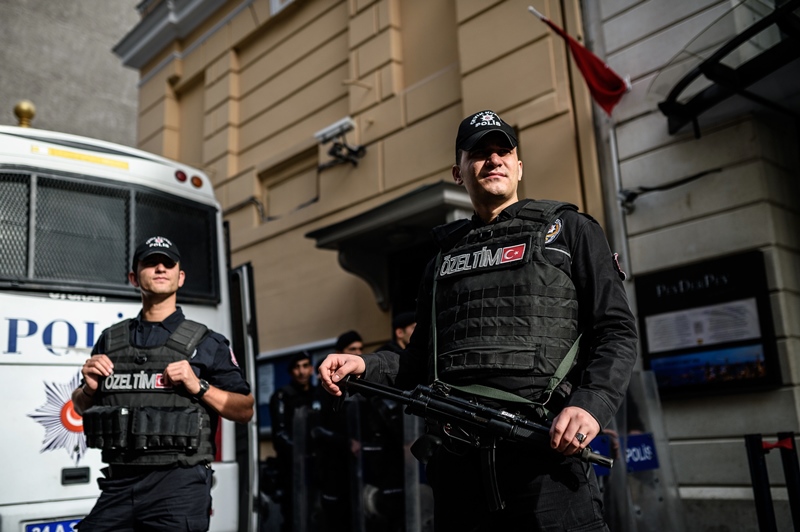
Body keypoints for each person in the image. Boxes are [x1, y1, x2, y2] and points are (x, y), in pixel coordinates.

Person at [319, 110, 638, 531]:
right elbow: (416, 362)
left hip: (544, 461)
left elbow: (615, 330)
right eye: (480, 153)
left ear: (519, 166)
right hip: (458, 470)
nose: (494, 160)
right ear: (459, 171)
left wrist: (590, 405)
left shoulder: (569, 231)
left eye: (503, 151)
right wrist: (366, 366)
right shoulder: (441, 261)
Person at [72, 236, 254, 532]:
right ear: (134, 277)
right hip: (119, 483)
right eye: (150, 262)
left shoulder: (207, 342)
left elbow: (245, 409)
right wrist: (90, 387)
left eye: (168, 264)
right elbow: (81, 406)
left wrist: (199, 387)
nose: (160, 268)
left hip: (178, 486)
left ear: (179, 277)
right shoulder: (110, 340)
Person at [268, 351, 321, 531]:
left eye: (305, 366)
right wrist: (302, 455)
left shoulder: (318, 394)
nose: (302, 371)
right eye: (297, 367)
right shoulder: (282, 396)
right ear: (291, 372)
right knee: (294, 517)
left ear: (312, 369)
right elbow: (280, 436)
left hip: (319, 468)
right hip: (292, 470)